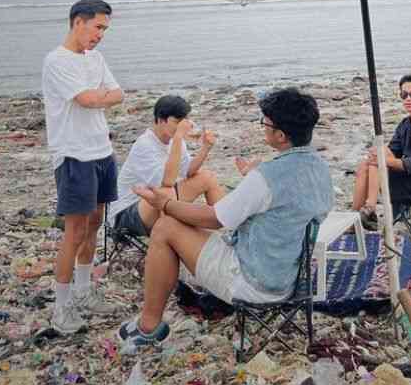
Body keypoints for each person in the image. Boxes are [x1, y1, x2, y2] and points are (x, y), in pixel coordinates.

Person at [116, 87, 334, 350]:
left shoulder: (266, 177)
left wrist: (166, 204)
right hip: (290, 278)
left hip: (252, 281)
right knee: (183, 221)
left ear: (280, 135)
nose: (262, 127)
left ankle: (148, 327)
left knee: (165, 227)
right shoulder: (320, 168)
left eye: (265, 123)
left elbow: (215, 219)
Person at [42, 0, 123, 334]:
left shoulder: (97, 58)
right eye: (98, 27)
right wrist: (98, 97)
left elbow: (117, 93)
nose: (101, 34)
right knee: (74, 233)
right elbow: (88, 99)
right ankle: (61, 308)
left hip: (101, 151)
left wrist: (98, 97)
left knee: (94, 224)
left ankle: (84, 290)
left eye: (105, 28)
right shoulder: (56, 61)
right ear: (78, 22)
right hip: (74, 155)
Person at [109, 94, 225, 238]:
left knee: (206, 177)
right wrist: (178, 137)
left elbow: (188, 171)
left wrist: (206, 148)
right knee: (166, 191)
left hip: (158, 203)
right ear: (161, 120)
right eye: (177, 121)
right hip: (126, 214)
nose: (181, 127)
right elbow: (166, 182)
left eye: (183, 121)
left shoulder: (174, 141)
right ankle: (171, 241)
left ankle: (226, 228)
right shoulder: (144, 144)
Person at [352, 73, 411, 230]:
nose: (407, 99)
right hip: (406, 177)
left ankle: (367, 210)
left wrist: (385, 160)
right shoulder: (405, 125)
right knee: (368, 162)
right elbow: (393, 150)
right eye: (404, 95)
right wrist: (378, 154)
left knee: (376, 162)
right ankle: (359, 215)